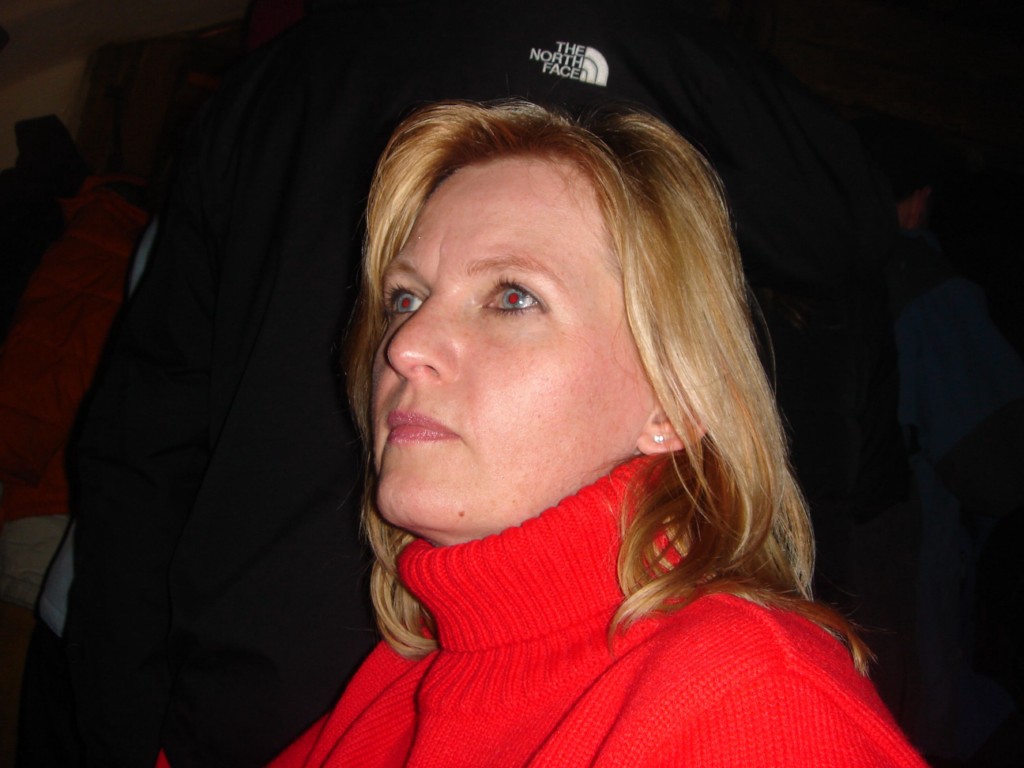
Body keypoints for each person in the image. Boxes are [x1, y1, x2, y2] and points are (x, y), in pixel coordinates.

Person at [268, 100, 925, 767]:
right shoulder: (407, 670)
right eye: (404, 298)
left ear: (673, 402)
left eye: (513, 297)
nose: (405, 346)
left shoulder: (756, 705)